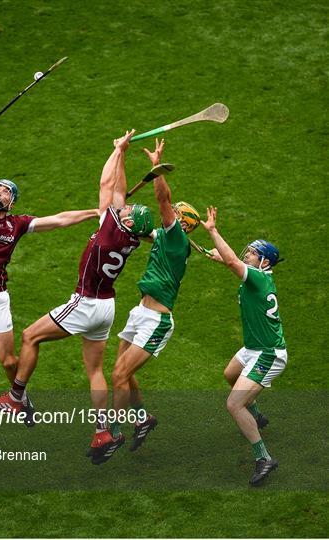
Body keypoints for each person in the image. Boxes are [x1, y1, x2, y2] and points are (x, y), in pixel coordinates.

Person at [0, 130, 154, 450]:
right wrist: (125, 156)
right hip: (107, 308)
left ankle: (16, 397)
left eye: (130, 213)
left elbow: (107, 187)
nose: (126, 208)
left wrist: (117, 149)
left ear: (128, 223)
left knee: (30, 336)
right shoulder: (129, 236)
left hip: (86, 301)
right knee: (94, 371)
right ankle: (102, 431)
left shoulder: (111, 226)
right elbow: (118, 190)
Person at [0, 123, 99, 421]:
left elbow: (57, 220)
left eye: (7, 191)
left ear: (12, 202)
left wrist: (94, 213)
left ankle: (18, 397)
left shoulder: (16, 224)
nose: (0, 192)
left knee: (8, 360)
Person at [92, 138, 201, 465]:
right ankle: (142, 418)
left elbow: (163, 199)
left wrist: (157, 169)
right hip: (140, 313)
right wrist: (114, 214)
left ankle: (112, 432)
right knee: (120, 372)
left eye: (174, 215)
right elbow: (139, 229)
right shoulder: (166, 237)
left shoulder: (177, 236)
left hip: (157, 321)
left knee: (120, 375)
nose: (168, 215)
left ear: (182, 223)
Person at [201, 206, 287, 486]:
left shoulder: (260, 278)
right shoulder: (258, 276)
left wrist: (213, 231)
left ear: (264, 262)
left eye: (252, 253)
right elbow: (230, 263)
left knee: (234, 404)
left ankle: (264, 458)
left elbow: (233, 265)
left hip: (269, 354)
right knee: (230, 374)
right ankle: (258, 416)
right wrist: (221, 258)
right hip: (253, 348)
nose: (246, 254)